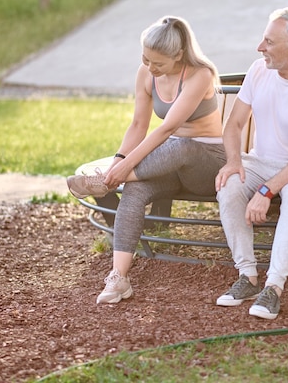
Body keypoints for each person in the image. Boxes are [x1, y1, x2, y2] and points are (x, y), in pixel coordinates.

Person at [66, 16, 226, 304]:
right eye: (146, 59)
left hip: (208, 164)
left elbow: (167, 129)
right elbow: (138, 125)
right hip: (169, 161)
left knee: (183, 146)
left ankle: (102, 182)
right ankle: (118, 278)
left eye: (158, 63)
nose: (150, 67)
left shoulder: (199, 74)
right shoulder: (146, 73)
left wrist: (124, 168)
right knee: (135, 189)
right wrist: (118, 161)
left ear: (178, 55)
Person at [214, 7, 288, 320]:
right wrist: (233, 161)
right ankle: (248, 277)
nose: (260, 47)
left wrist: (267, 191)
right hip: (262, 161)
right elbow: (234, 125)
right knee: (230, 184)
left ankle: (274, 287)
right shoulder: (258, 70)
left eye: (269, 41)